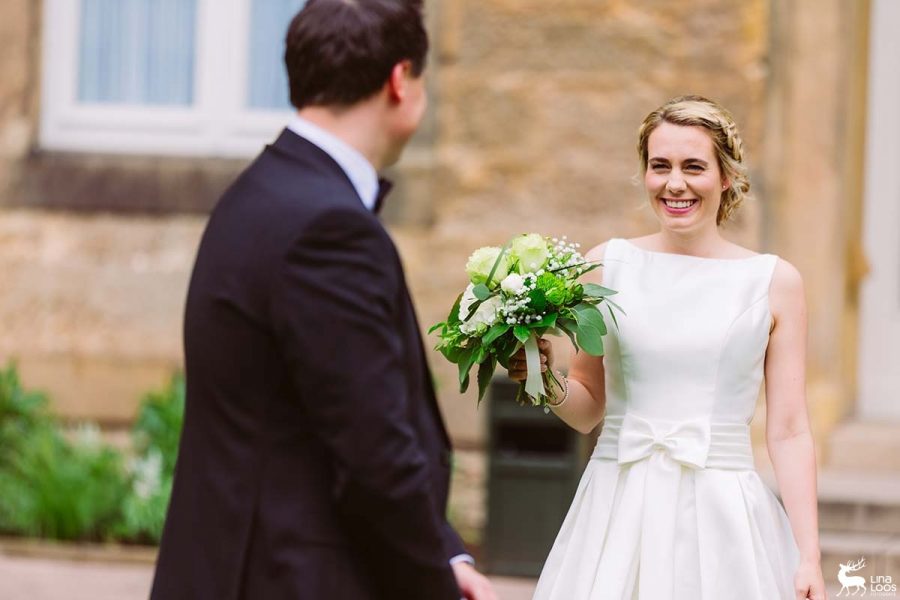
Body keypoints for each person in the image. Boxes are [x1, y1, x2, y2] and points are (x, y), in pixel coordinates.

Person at [150, 1, 495, 599]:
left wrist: (446, 555)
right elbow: (374, 454)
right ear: (399, 80)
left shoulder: (259, 190)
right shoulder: (328, 227)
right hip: (294, 578)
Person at [509, 96, 827, 599]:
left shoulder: (773, 281)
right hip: (616, 505)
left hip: (723, 510)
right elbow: (589, 406)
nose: (674, 183)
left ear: (725, 177)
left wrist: (808, 554)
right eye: (660, 167)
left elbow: (789, 431)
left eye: (693, 167)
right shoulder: (605, 265)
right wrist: (542, 378)